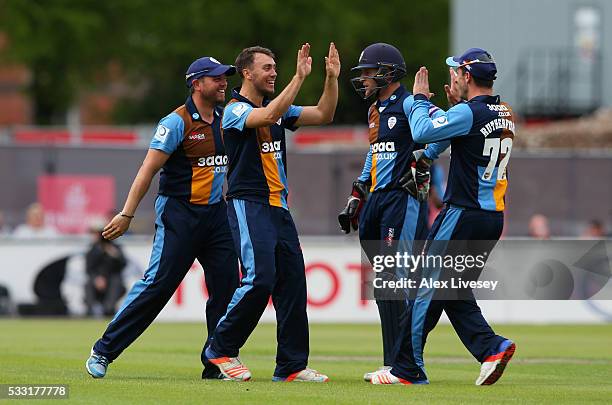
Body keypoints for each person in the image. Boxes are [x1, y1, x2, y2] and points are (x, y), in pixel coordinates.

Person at [86, 56, 240, 379]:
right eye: (217, 78)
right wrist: (127, 214)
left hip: (215, 215)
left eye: (226, 77)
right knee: (158, 285)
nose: (224, 82)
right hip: (179, 215)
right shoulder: (176, 122)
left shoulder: (226, 120)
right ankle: (104, 350)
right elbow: (148, 169)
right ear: (197, 84)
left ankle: (216, 360)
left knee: (227, 285)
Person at [372, 48, 516, 386]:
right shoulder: (504, 111)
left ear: (467, 77)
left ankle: (406, 368)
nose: (452, 78)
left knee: (425, 287)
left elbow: (422, 133)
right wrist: (452, 110)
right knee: (452, 290)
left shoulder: (469, 112)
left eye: (456, 73)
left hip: (462, 214)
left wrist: (421, 99)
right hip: (492, 217)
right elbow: (456, 137)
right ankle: (492, 347)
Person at [204, 43, 340, 382]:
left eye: (276, 68)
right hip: (248, 204)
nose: (273, 73)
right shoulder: (235, 109)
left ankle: (292, 366)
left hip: (279, 207)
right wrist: (299, 77)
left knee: (292, 284)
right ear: (247, 73)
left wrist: (331, 79)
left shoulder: (279, 109)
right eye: (267, 67)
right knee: (259, 278)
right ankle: (220, 348)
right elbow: (264, 117)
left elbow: (324, 114)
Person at [338, 43, 437, 381]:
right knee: (384, 282)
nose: (363, 79)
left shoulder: (411, 104)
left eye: (368, 72)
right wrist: (357, 191)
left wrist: (423, 162)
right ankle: (393, 362)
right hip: (377, 200)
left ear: (386, 73)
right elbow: (374, 152)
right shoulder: (374, 111)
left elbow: (440, 134)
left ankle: (409, 365)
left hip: (402, 199)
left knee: (395, 279)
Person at [84, 222, 127, 317]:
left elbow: (123, 264)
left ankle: (108, 309)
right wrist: (97, 278)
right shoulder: (92, 250)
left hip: (113, 279)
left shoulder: (115, 248)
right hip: (97, 280)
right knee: (88, 284)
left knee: (115, 282)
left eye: (96, 233)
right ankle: (91, 310)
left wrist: (115, 255)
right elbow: (89, 269)